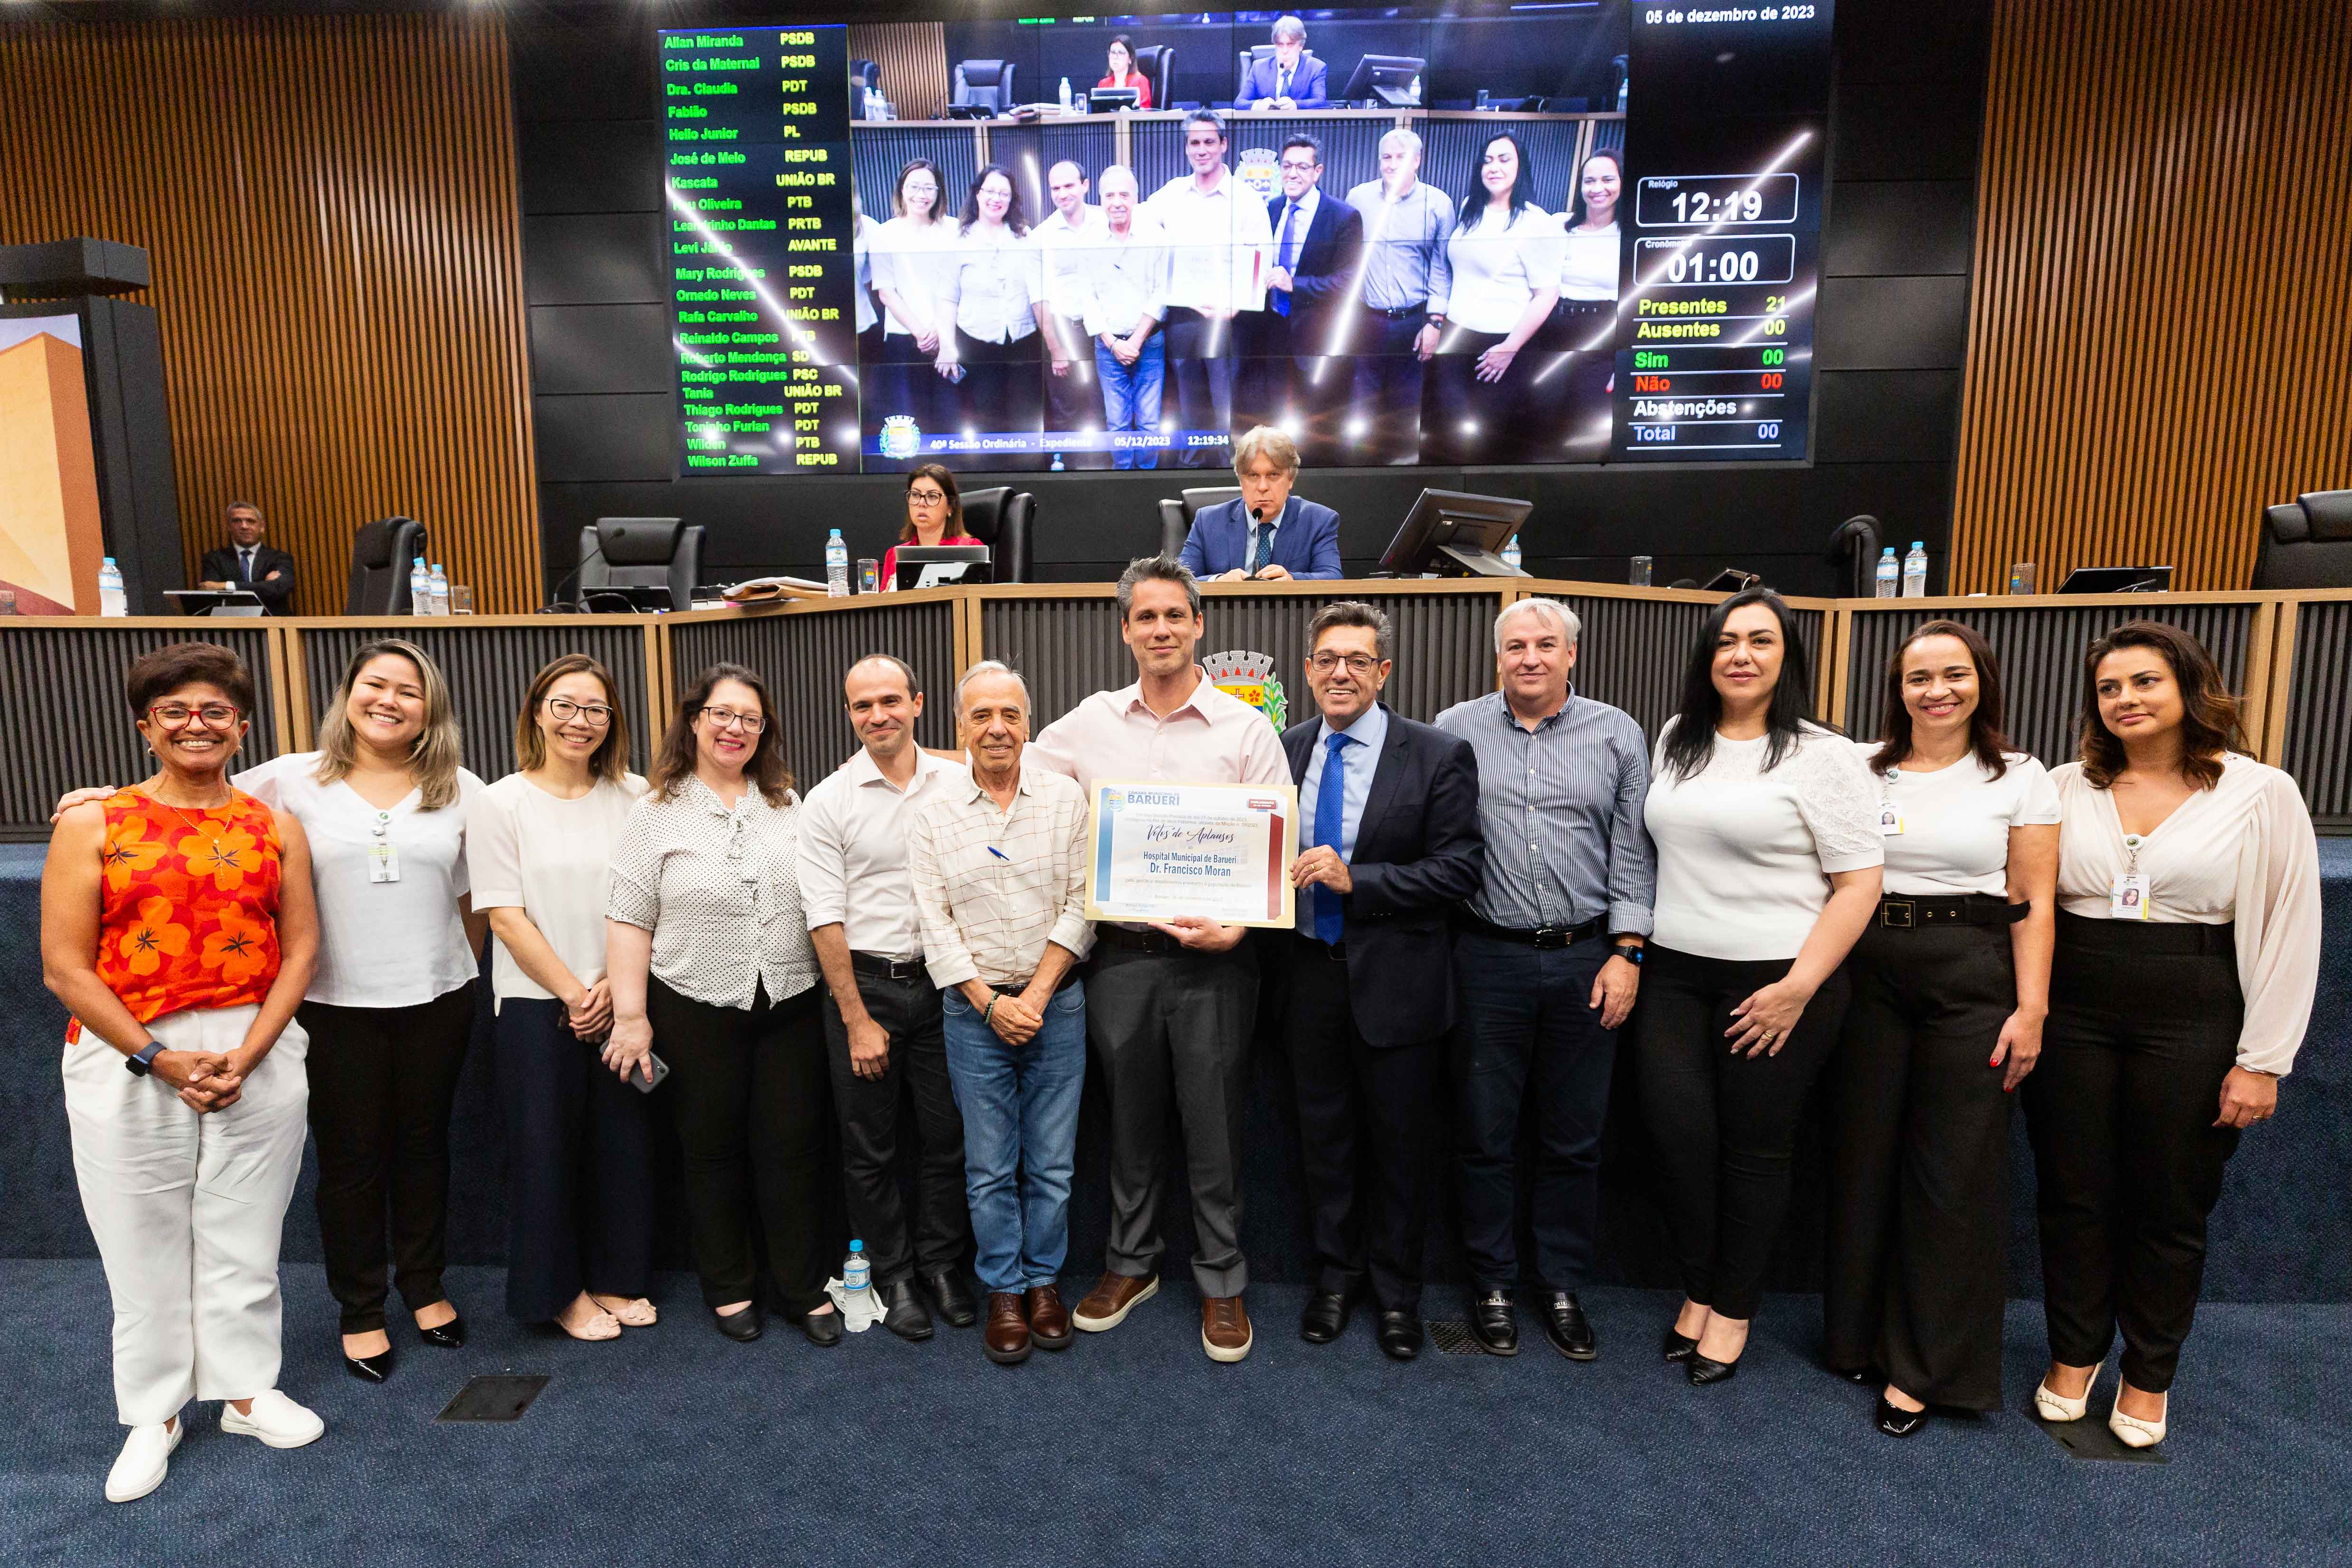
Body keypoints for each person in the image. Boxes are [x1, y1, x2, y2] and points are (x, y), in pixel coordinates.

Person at [2026, 621, 2320, 1450]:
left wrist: (2262, 1061)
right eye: (2110, 688)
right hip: (2075, 1006)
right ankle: (2076, 1352)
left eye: (2145, 682)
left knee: (2169, 1201)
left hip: (2192, 1009)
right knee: (2072, 1193)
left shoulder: (2260, 791)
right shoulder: (2062, 787)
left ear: (2190, 687)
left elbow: (2293, 926)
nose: (2126, 700)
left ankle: (2149, 1370)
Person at [42, 643, 324, 1502]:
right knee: (141, 1237)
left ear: (242, 726)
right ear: (145, 725)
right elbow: (64, 964)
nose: (196, 724)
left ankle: (245, 1391)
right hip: (129, 1049)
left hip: (255, 1046)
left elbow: (303, 944)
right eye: (175, 711)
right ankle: (154, 1412)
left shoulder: (273, 824)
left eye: (214, 711)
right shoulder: (93, 822)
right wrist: (158, 1056)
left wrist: (254, 1048)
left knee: (245, 1229)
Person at [1029, 555, 1290, 1362]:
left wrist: (1240, 929)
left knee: (1214, 1130)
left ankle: (1221, 1280)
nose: (1161, 629)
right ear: (1126, 630)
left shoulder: (1247, 729)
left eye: (1175, 614)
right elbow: (1016, 774)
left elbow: (1279, 848)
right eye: (1146, 617)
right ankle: (1130, 1265)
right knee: (1132, 1126)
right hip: (1123, 960)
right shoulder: (1090, 721)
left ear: (1199, 624)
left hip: (1217, 962)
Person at [1633, 588, 1883, 1385]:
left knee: (1754, 1152)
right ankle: (1701, 1283)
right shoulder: (1678, 737)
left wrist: (1798, 987)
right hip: (1674, 972)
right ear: (1707, 656)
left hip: (1778, 981)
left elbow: (1860, 884)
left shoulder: (1823, 753)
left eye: (1761, 640)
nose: (1741, 653)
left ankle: (1731, 1306)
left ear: (1787, 657)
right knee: (1679, 1141)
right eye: (1727, 639)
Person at [1823, 621, 2058, 1437]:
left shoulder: (2020, 777)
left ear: (1982, 681)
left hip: (1971, 972)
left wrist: (2031, 1008)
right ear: (1898, 687)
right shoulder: (1860, 764)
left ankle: (1923, 1370)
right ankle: (1854, 1337)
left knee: (1951, 1173)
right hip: (1869, 968)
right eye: (1919, 676)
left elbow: (2032, 900)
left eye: (1954, 674)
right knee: (1864, 1156)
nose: (1937, 690)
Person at [235, 640, 485, 1383]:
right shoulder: (290, 778)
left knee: (424, 1145)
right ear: (349, 694)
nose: (390, 699)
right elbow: (188, 793)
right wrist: (96, 798)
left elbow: (473, 898)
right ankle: (361, 1306)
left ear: (429, 710)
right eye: (375, 684)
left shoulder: (459, 787)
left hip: (437, 998)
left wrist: (446, 966)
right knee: (350, 1160)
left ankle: (423, 1283)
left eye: (409, 691)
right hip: (332, 1003)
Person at [1434, 599, 1654, 1361]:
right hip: (1484, 958)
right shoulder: (1454, 727)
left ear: (1571, 655)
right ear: (1497, 658)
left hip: (1585, 961)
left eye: (1544, 645)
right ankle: (1491, 1282)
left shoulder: (1616, 732)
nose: (1529, 657)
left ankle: (1558, 1281)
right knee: (1483, 1133)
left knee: (1572, 1137)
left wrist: (1626, 953)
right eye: (1514, 645)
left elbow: (1631, 852)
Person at [604, 665, 837, 1348]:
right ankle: (729, 1285)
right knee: (710, 1152)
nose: (735, 727)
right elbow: (627, 918)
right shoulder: (653, 812)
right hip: (693, 1002)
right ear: (695, 719)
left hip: (788, 999)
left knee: (792, 1148)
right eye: (722, 713)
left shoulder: (787, 803)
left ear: (764, 731)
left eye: (750, 718)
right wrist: (630, 1014)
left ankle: (800, 1286)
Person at [1282, 602, 1483, 1361]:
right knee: (1323, 1143)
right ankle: (1335, 1279)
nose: (1340, 672)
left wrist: (1355, 879)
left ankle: (1397, 1295)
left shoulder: (1435, 753)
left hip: (1398, 985)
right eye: (1327, 659)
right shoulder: (1285, 748)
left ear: (1382, 672)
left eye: (1357, 660)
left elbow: (1461, 868)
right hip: (1307, 981)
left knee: (1400, 1149)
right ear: (1307, 670)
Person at [906, 661, 1094, 1366]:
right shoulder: (930, 813)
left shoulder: (1066, 799)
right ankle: (1004, 1290)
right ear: (959, 726)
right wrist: (990, 1004)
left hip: (1057, 1006)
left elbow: (1082, 903)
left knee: (1051, 1164)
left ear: (1027, 721)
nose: (996, 728)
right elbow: (935, 925)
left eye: (1009, 714)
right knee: (987, 1167)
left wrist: (1037, 995)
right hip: (970, 1014)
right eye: (981, 715)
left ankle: (1044, 1281)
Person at [466, 655, 657, 1343]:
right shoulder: (500, 800)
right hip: (535, 1002)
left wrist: (613, 985)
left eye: (596, 709)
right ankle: (560, 1291)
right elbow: (504, 914)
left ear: (614, 721)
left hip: (624, 993)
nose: (581, 721)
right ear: (537, 711)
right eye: (566, 705)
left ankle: (613, 1272)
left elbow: (651, 899)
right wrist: (577, 992)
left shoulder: (637, 795)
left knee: (621, 1143)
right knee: (544, 1149)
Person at [799, 656, 976, 1342]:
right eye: (862, 704)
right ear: (848, 713)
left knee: (948, 1139)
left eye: (890, 700)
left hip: (946, 986)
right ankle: (894, 1273)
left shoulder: (959, 780)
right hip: (864, 988)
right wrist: (855, 1018)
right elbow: (823, 916)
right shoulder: (830, 799)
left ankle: (939, 1266)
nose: (877, 715)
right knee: (869, 1148)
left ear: (918, 702)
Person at [1426, 132, 1562, 467]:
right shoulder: (1468, 209)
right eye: (1487, 160)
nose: (1493, 167)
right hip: (1456, 340)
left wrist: (1509, 348)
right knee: (1450, 434)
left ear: (1521, 167)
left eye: (1504, 159)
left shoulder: (1537, 223)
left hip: (1501, 349)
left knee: (1485, 440)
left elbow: (1546, 296)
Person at [1148, 112, 1275, 468]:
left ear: (1224, 144)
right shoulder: (1171, 194)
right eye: (1193, 143)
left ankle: (1228, 473)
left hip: (1230, 320)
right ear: (1186, 147)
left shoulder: (1247, 199)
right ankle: (1187, 471)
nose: (1201, 150)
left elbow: (1262, 257)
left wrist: (1235, 304)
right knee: (1188, 404)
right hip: (1186, 318)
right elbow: (1138, 224)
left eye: (1208, 142)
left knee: (1226, 406)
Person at [1346, 129, 1455, 465]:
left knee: (1407, 405)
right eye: (1386, 157)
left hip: (1414, 322)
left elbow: (1442, 268)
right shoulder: (1358, 199)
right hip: (1368, 320)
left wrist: (1435, 322)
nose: (1392, 165)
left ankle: (1403, 469)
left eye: (1401, 157)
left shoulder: (1438, 204)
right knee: (1362, 402)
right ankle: (1360, 469)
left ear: (1417, 160)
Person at [935, 164, 1049, 466]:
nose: (996, 199)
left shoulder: (1025, 237)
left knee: (1026, 418)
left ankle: (1027, 489)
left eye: (1004, 194)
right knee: (986, 418)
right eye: (990, 191)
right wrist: (948, 345)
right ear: (977, 193)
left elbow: (1039, 292)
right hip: (977, 342)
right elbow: (947, 298)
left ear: (1012, 201)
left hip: (1023, 340)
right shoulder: (958, 240)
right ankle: (992, 488)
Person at [1257, 135, 1363, 454]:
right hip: (1273, 330)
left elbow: (1348, 282)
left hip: (1318, 336)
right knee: (1275, 415)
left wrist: (1296, 284)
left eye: (1302, 167)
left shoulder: (1343, 216)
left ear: (1318, 171)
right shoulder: (1271, 209)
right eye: (1286, 166)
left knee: (1318, 420)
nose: (1292, 174)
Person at [865, 159, 955, 465]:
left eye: (929, 187)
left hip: (948, 339)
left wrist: (940, 332)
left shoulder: (954, 229)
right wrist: (920, 331)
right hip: (904, 340)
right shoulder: (884, 232)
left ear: (940, 191)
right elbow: (885, 291)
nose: (922, 194)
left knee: (948, 420)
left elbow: (961, 286)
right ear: (902, 190)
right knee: (905, 426)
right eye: (914, 187)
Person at [1083, 165, 1170, 471]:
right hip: (1108, 346)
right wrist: (1112, 343)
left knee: (1149, 422)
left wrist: (1135, 340)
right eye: (1110, 195)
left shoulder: (1155, 236)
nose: (1117, 202)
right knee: (1116, 422)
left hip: (1149, 342)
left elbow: (1162, 291)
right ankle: (1122, 479)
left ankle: (1147, 479)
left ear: (1136, 197)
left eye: (1124, 194)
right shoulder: (1089, 239)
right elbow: (1087, 297)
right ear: (1101, 199)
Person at [1177, 424, 1341, 581]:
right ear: (1241, 481)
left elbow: (1333, 577)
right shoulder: (1207, 522)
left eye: (1274, 475)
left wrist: (1293, 579)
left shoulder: (1319, 521)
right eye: (1253, 476)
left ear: (1291, 479)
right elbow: (1178, 580)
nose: (1263, 487)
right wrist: (1218, 581)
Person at [1544, 148, 1623, 457]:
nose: (1597, 188)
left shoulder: (1629, 234)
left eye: (1607, 179)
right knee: (1546, 418)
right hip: (1554, 331)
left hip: (1602, 336)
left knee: (1587, 426)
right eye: (1589, 181)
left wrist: (1626, 364)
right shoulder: (1559, 225)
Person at [1035, 159, 1111, 469]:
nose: (1062, 193)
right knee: (1067, 409)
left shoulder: (1107, 219)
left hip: (1106, 331)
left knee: (1102, 406)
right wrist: (1055, 347)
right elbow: (1039, 297)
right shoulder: (1043, 234)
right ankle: (1075, 476)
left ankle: (1102, 472)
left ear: (1085, 185)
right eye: (1055, 188)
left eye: (1069, 185)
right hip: (1065, 332)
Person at [881, 464, 985, 592]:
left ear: (950, 507)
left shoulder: (970, 549)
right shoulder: (894, 555)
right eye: (915, 495)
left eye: (932, 496)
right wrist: (887, 596)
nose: (921, 503)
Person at [197, 502, 296, 614]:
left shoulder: (280, 558)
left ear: (262, 527)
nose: (244, 526)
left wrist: (226, 586)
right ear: (229, 527)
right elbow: (211, 596)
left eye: (251, 521)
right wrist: (264, 585)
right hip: (230, 624)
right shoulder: (214, 559)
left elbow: (278, 588)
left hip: (273, 625)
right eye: (237, 521)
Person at [1236, 15, 1328, 109]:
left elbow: (1320, 101)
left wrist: (1296, 105)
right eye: (1280, 45)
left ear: (1301, 46)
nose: (1285, 51)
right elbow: (1239, 102)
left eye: (1290, 44)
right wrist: (1258, 104)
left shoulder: (1316, 68)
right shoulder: (1259, 67)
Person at [1098, 33, 1152, 108]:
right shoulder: (1103, 84)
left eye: (1121, 53)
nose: (1115, 57)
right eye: (1113, 53)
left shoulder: (1140, 81)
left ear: (1130, 58)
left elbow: (1145, 113)